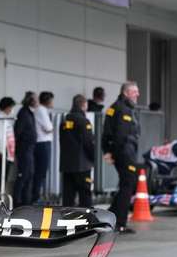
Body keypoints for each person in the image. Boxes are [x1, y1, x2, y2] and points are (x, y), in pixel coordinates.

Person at [103, 81, 142, 233]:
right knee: (128, 184)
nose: (137, 94)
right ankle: (119, 223)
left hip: (122, 152)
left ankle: (109, 217)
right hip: (125, 153)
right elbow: (119, 135)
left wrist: (108, 150)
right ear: (126, 92)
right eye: (134, 91)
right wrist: (111, 152)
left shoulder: (116, 107)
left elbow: (107, 133)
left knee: (126, 184)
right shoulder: (122, 109)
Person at [60, 94, 95, 207]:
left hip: (67, 165)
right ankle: (86, 219)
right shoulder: (84, 121)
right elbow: (88, 143)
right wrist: (94, 158)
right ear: (83, 105)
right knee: (85, 194)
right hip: (82, 165)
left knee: (68, 195)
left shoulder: (65, 121)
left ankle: (66, 219)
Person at [13, 92, 37, 205]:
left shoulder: (29, 113)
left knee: (29, 175)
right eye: (35, 99)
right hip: (24, 149)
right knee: (23, 175)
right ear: (31, 100)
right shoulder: (23, 113)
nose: (37, 101)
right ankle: (18, 202)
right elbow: (18, 132)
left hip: (29, 149)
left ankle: (26, 202)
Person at [32, 91, 55, 204]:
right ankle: (36, 197)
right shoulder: (41, 110)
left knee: (40, 171)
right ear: (48, 100)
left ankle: (37, 196)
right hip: (42, 143)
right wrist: (52, 128)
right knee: (40, 171)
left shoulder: (41, 110)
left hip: (42, 143)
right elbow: (48, 127)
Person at [0, 96, 17, 199]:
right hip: (2, 152)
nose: (11, 110)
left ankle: (0, 196)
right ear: (6, 107)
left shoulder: (7, 118)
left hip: (8, 151)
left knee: (4, 176)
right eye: (10, 107)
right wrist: (2, 152)